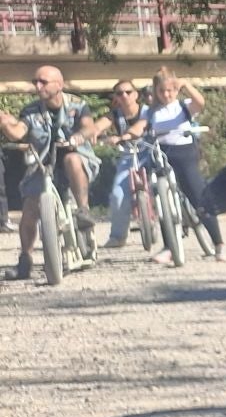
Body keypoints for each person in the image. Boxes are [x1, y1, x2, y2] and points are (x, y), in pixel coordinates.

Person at [0, 65, 97, 279]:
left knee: (72, 159)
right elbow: (18, 132)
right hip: (44, 162)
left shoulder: (78, 105)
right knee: (29, 212)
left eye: (43, 81)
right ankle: (25, 260)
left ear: (59, 85)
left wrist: (78, 138)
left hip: (75, 155)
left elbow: (89, 127)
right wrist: (5, 123)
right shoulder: (31, 111)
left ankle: (83, 210)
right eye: (35, 81)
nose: (37, 85)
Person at [145, 68, 226, 262]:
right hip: (162, 154)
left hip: (185, 153)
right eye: (162, 91)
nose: (166, 95)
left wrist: (185, 86)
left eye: (171, 90)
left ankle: (219, 244)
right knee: (161, 198)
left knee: (199, 197)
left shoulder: (183, 106)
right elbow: (141, 127)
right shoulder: (151, 112)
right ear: (156, 91)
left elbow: (201, 103)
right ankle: (169, 247)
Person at [96, 79, 155, 249]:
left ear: (136, 94)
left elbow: (139, 128)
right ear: (116, 97)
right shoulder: (114, 114)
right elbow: (98, 126)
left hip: (152, 153)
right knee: (118, 195)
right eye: (120, 93)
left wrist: (123, 137)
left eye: (128, 92)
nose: (124, 96)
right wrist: (91, 134)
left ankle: (177, 223)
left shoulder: (149, 112)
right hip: (129, 156)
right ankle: (118, 237)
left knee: (164, 185)